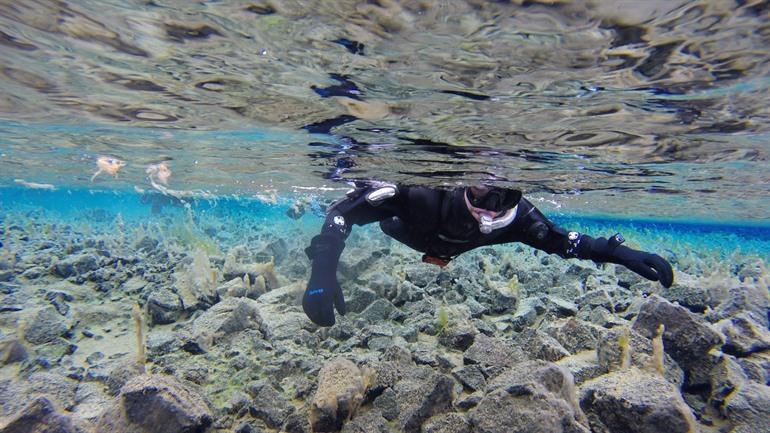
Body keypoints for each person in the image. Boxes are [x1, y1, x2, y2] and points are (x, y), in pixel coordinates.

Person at [302, 183, 674, 327]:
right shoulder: (423, 197)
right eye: (481, 193)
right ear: (462, 183)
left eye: (504, 196)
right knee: (382, 218)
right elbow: (342, 212)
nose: (490, 210)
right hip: (406, 229)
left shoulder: (521, 219)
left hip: (440, 247)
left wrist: (618, 252)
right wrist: (323, 268)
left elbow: (564, 242)